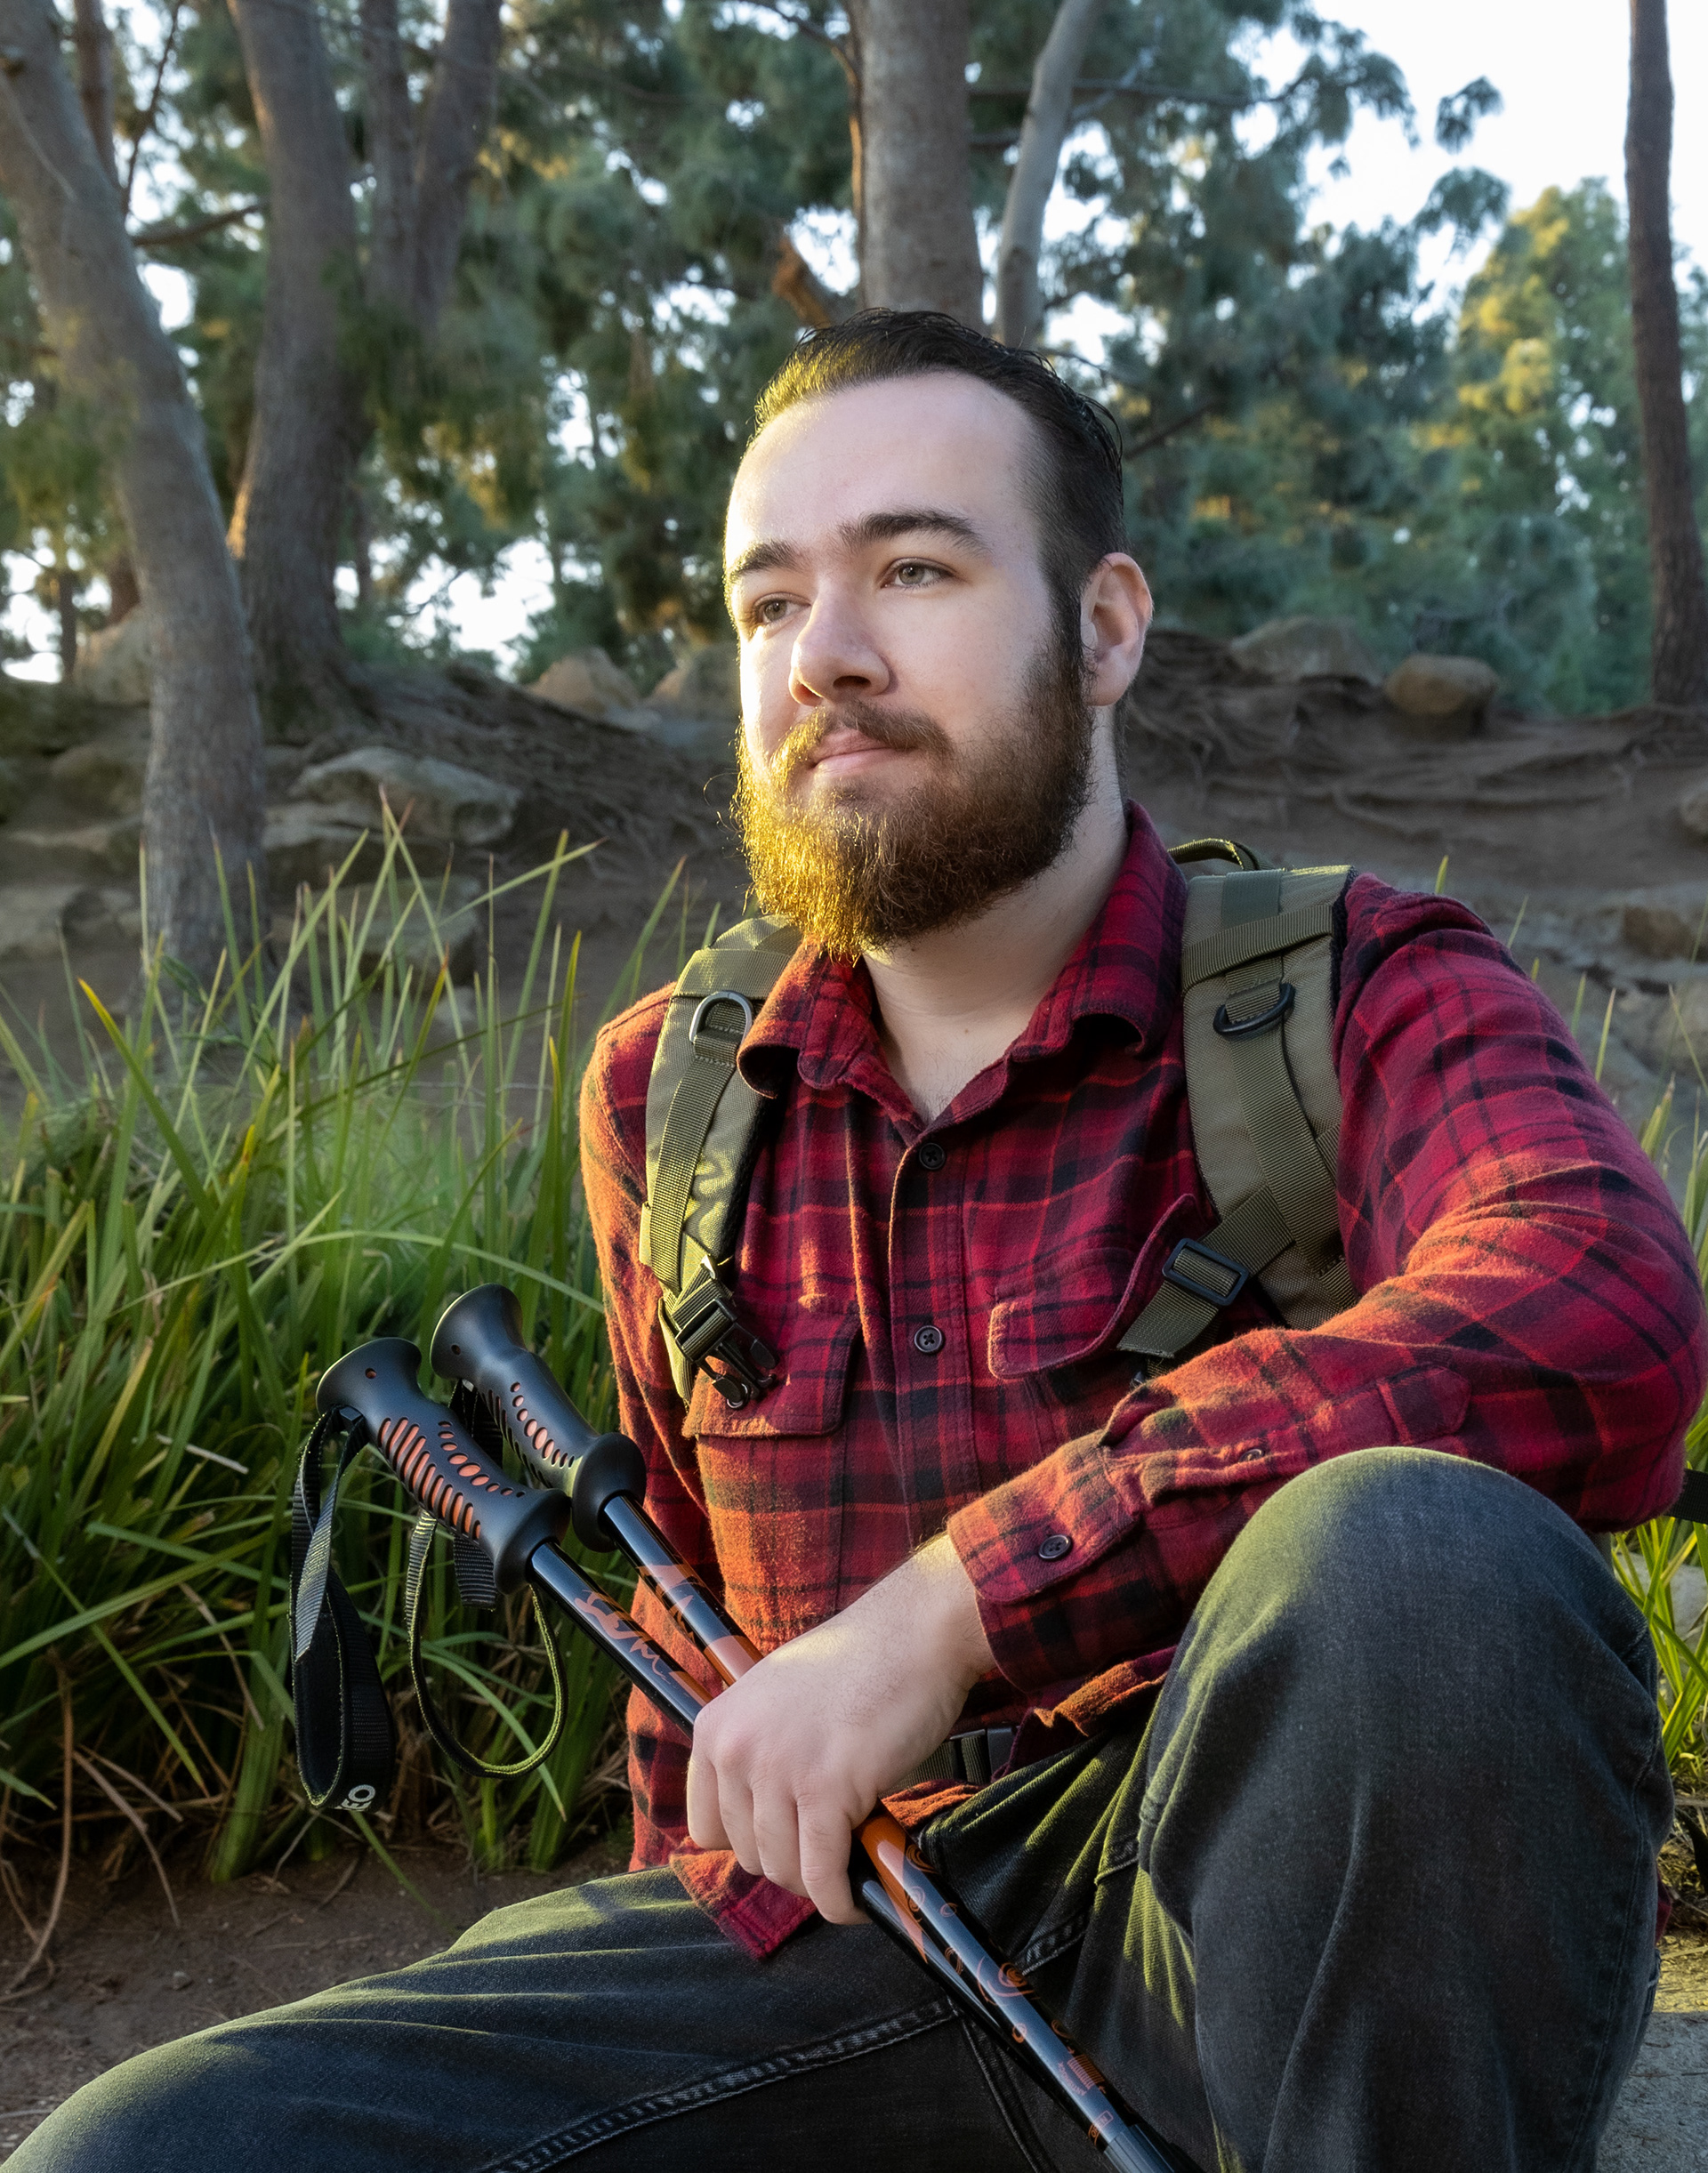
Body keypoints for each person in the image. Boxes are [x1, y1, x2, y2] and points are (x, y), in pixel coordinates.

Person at [20, 311, 1703, 2173]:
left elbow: (1598, 1301)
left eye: (913, 569)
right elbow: (690, 1666)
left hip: (1256, 1952)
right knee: (141, 2154)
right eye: (769, 601)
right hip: (834, 1960)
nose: (825, 653)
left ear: (1106, 627)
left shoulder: (1364, 981)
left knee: (1420, 1556)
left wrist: (956, 1606)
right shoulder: (667, 1085)